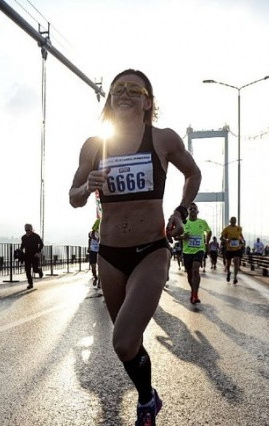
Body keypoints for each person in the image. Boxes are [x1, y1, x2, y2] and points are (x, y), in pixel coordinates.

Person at [68, 69, 201, 426]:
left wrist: (181, 211)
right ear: (109, 100)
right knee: (129, 346)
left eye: (133, 89)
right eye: (117, 89)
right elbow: (73, 197)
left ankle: (145, 402)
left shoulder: (163, 139)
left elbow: (193, 173)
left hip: (150, 251)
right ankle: (147, 398)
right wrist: (87, 187)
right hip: (110, 255)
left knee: (123, 342)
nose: (124, 94)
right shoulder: (94, 146)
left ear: (147, 101)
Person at [179, 203, 211, 304]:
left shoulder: (202, 222)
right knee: (189, 274)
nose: (192, 210)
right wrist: (183, 237)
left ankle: (195, 294)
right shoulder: (184, 223)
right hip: (187, 251)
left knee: (196, 270)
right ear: (188, 212)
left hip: (199, 250)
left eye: (194, 208)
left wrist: (207, 242)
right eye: (190, 208)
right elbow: (175, 236)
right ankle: (193, 290)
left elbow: (209, 231)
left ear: (197, 211)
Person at [221, 217, 245, 284]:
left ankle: (235, 277)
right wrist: (226, 240)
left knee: (236, 261)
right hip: (229, 248)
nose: (233, 221)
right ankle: (228, 272)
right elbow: (221, 238)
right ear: (230, 221)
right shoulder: (226, 229)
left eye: (235, 220)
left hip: (237, 248)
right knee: (228, 264)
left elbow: (241, 237)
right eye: (232, 220)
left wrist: (242, 241)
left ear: (236, 221)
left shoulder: (239, 228)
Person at [20, 224, 44, 289]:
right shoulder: (23, 237)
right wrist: (20, 250)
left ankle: (39, 270)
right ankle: (30, 284)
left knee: (35, 269)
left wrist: (38, 252)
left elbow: (41, 244)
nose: (27, 231)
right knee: (27, 270)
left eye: (28, 230)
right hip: (27, 255)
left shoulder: (36, 236)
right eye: (26, 230)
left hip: (35, 255)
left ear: (31, 229)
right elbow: (22, 245)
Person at [88, 220, 101, 287]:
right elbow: (91, 237)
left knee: (100, 267)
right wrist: (88, 247)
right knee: (93, 267)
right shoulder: (91, 233)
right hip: (92, 250)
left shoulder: (102, 232)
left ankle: (99, 281)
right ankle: (95, 277)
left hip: (100, 251)